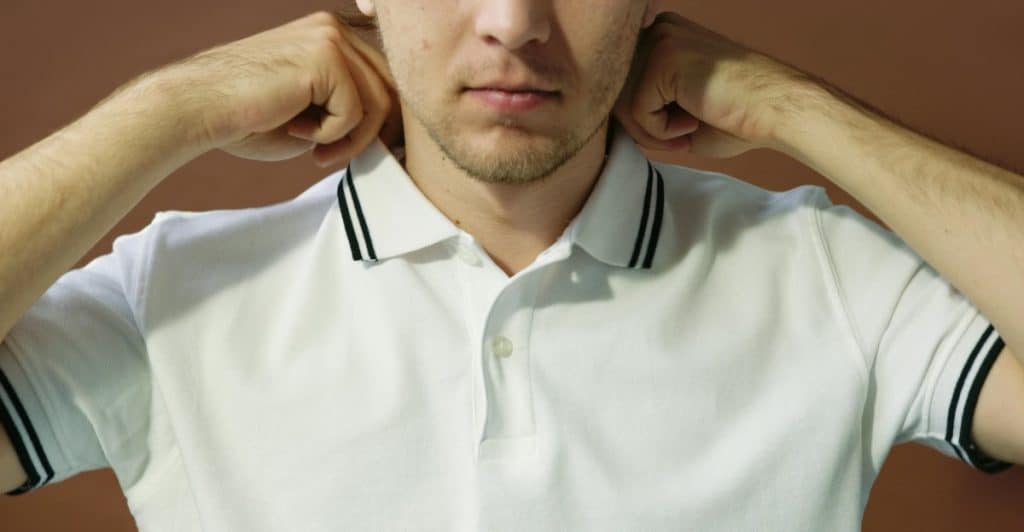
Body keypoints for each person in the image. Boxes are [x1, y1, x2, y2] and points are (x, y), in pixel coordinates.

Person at [1, 1, 1021, 530]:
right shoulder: (170, 297)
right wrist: (171, 109)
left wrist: (801, 112)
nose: (514, 27)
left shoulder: (826, 274)